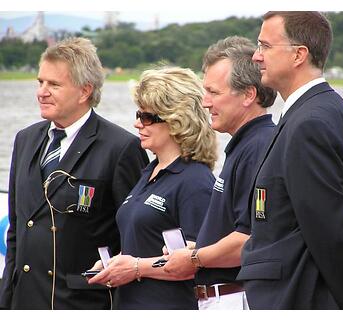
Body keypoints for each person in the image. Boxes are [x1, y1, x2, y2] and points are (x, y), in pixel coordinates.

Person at [238, 11, 343, 309]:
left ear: (298, 55)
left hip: (309, 298)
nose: (256, 56)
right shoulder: (312, 112)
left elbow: (332, 232)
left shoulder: (310, 123)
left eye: (265, 46)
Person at [0, 37, 149, 309]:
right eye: (40, 82)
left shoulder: (120, 147)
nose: (41, 92)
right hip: (24, 301)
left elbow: (135, 235)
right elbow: (17, 230)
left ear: (84, 91)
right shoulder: (25, 139)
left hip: (83, 303)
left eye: (54, 84)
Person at [88, 66, 218, 310]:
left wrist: (136, 267)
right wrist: (114, 265)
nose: (137, 124)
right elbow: (144, 246)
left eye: (147, 117)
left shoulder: (195, 181)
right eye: (138, 114)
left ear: (176, 121)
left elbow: (197, 262)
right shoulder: (149, 172)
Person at [163, 36, 277, 309]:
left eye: (214, 92)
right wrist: (195, 250)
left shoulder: (259, 146)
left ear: (249, 94)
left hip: (234, 299)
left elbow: (250, 239)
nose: (205, 102)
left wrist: (193, 259)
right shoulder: (244, 144)